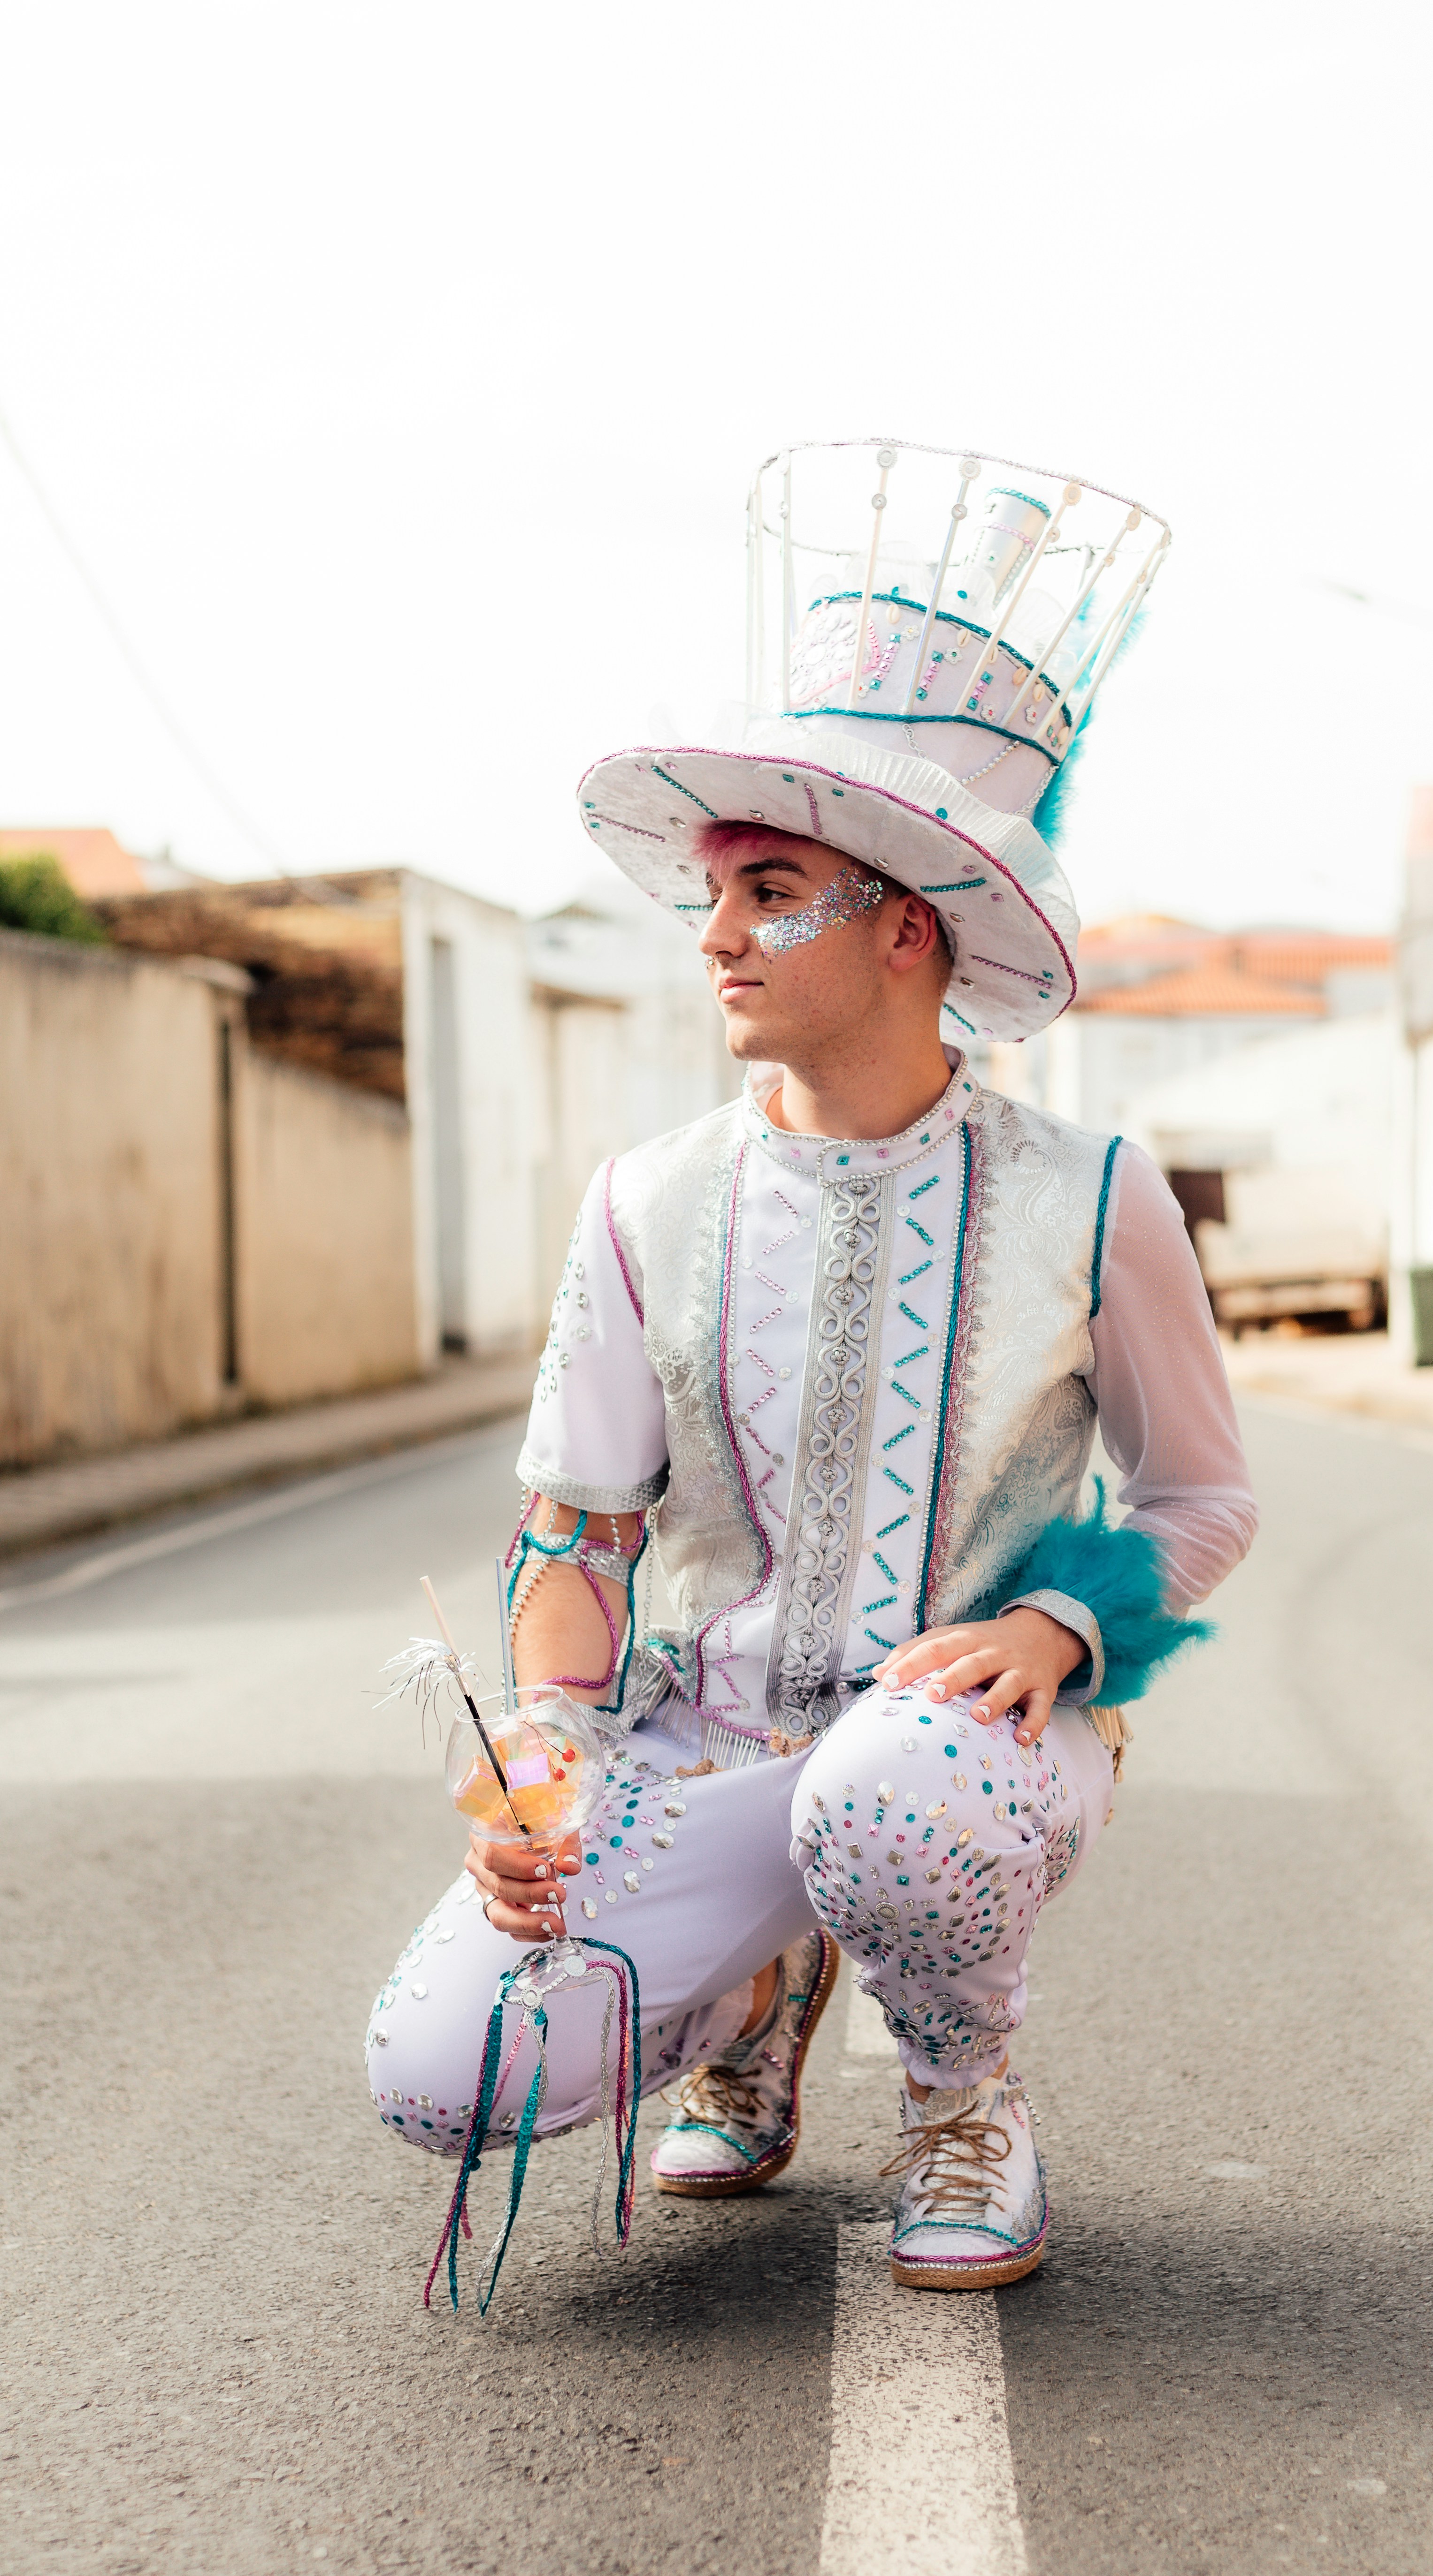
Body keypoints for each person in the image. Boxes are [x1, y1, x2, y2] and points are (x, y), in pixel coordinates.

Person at [366, 448, 1256, 2292]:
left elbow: (1200, 1498)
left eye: (768, 889)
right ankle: (756, 1996)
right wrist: (543, 1746)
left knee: (893, 1794)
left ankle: (959, 2095)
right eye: (712, 894)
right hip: (698, 1733)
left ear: (905, 926)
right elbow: (575, 1539)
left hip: (960, 1746)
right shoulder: (648, 1199)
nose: (714, 935)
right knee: (440, 2067)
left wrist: (1070, 1633)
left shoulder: (1094, 1194)